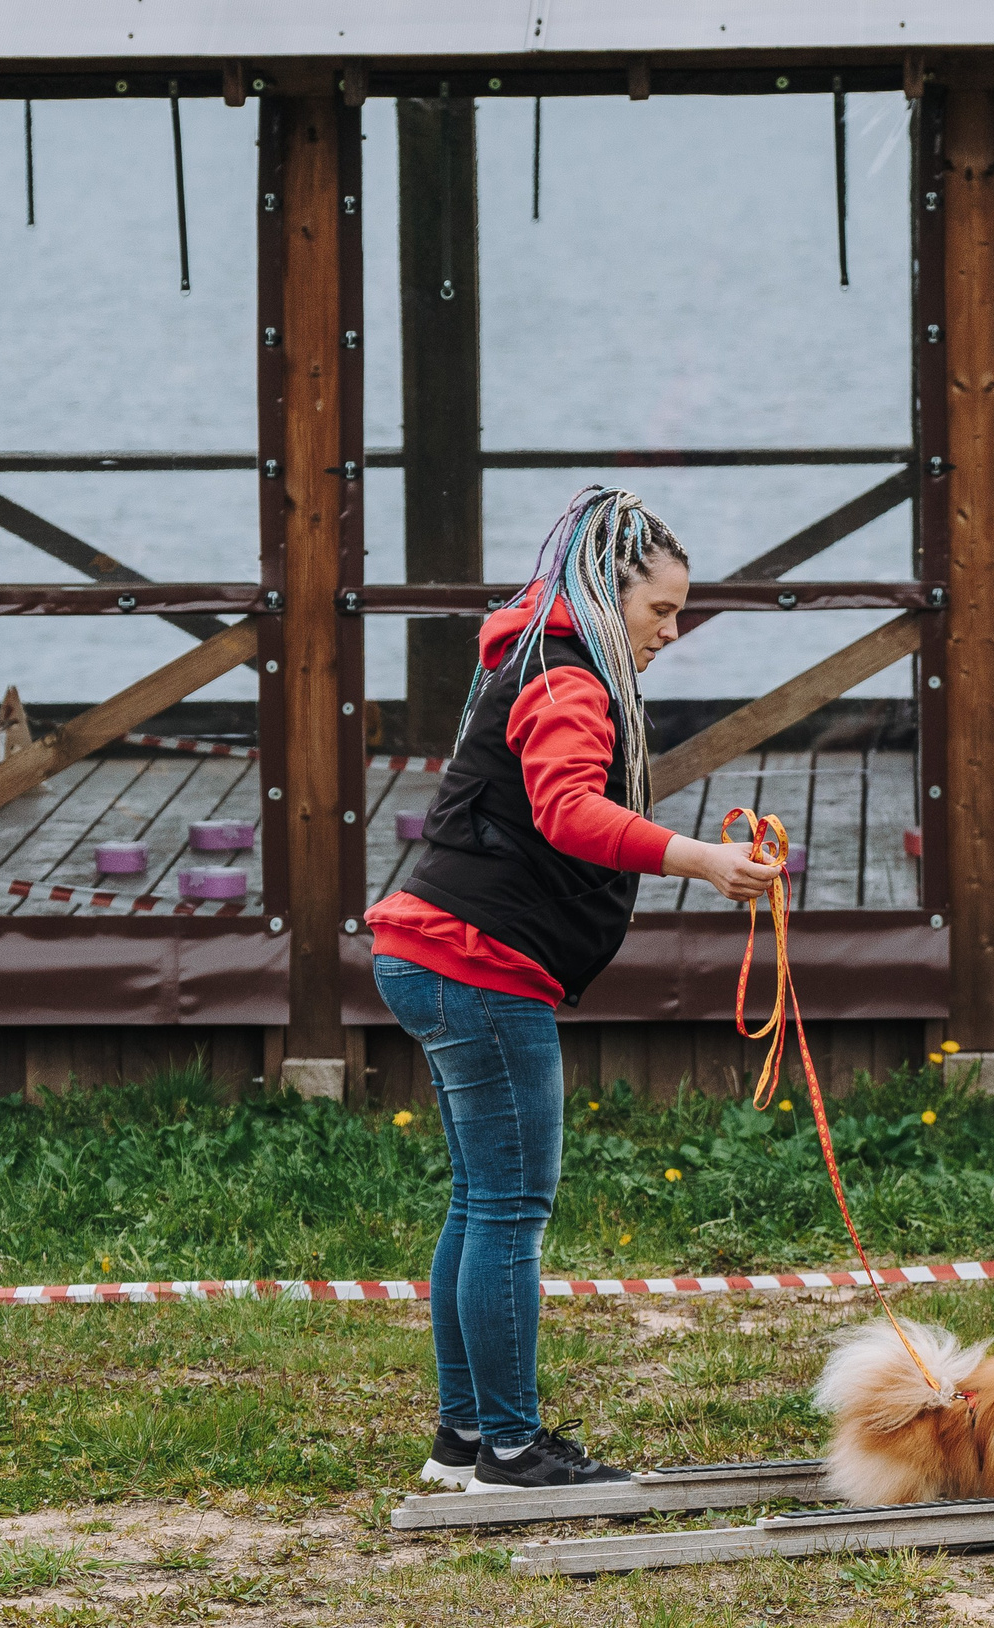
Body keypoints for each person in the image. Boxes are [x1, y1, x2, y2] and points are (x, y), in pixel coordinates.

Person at [367, 486, 781, 1493]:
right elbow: (566, 810)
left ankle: (463, 1439)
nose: (672, 632)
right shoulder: (567, 679)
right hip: (475, 965)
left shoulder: (537, 659)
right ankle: (510, 1446)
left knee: (480, 1202)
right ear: (606, 593)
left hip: (431, 954)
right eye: (661, 612)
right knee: (511, 1207)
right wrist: (696, 859)